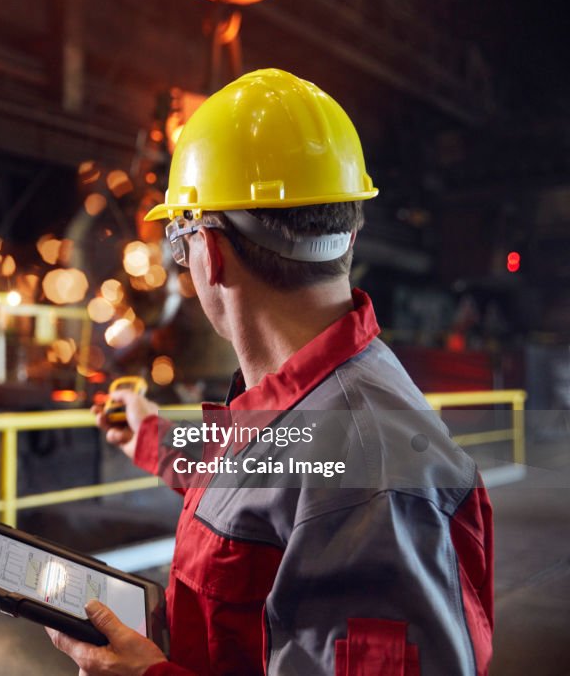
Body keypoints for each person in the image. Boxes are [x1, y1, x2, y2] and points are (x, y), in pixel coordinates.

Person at [49, 69, 493, 675]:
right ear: (351, 231)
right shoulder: (315, 398)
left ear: (210, 252)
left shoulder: (373, 477)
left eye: (181, 243)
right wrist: (155, 436)